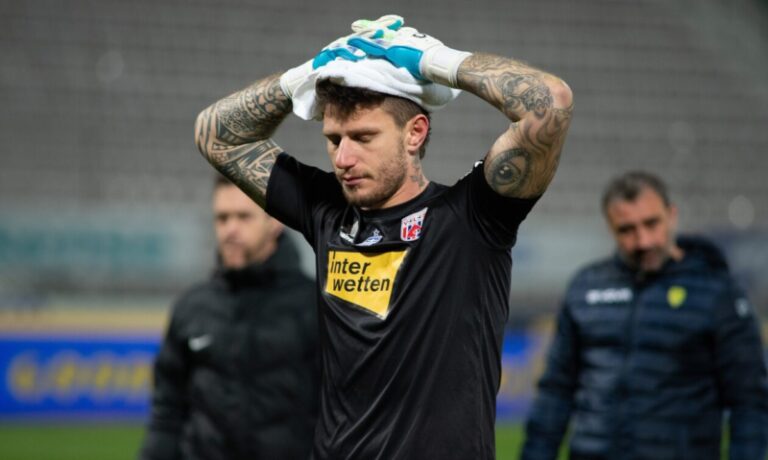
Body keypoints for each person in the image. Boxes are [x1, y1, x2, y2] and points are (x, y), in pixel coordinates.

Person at [194, 14, 573, 460]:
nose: (343, 158)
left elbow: (550, 103)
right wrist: (305, 75)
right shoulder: (327, 212)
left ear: (415, 133)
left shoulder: (472, 217)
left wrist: (433, 60)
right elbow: (216, 134)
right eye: (334, 139)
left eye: (363, 137)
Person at [521, 171, 768, 460]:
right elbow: (555, 392)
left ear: (672, 215)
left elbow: (749, 400)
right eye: (627, 229)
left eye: (652, 223)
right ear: (610, 228)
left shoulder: (717, 292)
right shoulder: (585, 288)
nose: (643, 241)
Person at [139, 175, 319, 460]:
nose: (230, 230)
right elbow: (167, 413)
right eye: (222, 218)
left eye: (243, 217)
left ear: (275, 221)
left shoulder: (315, 307)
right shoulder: (191, 308)